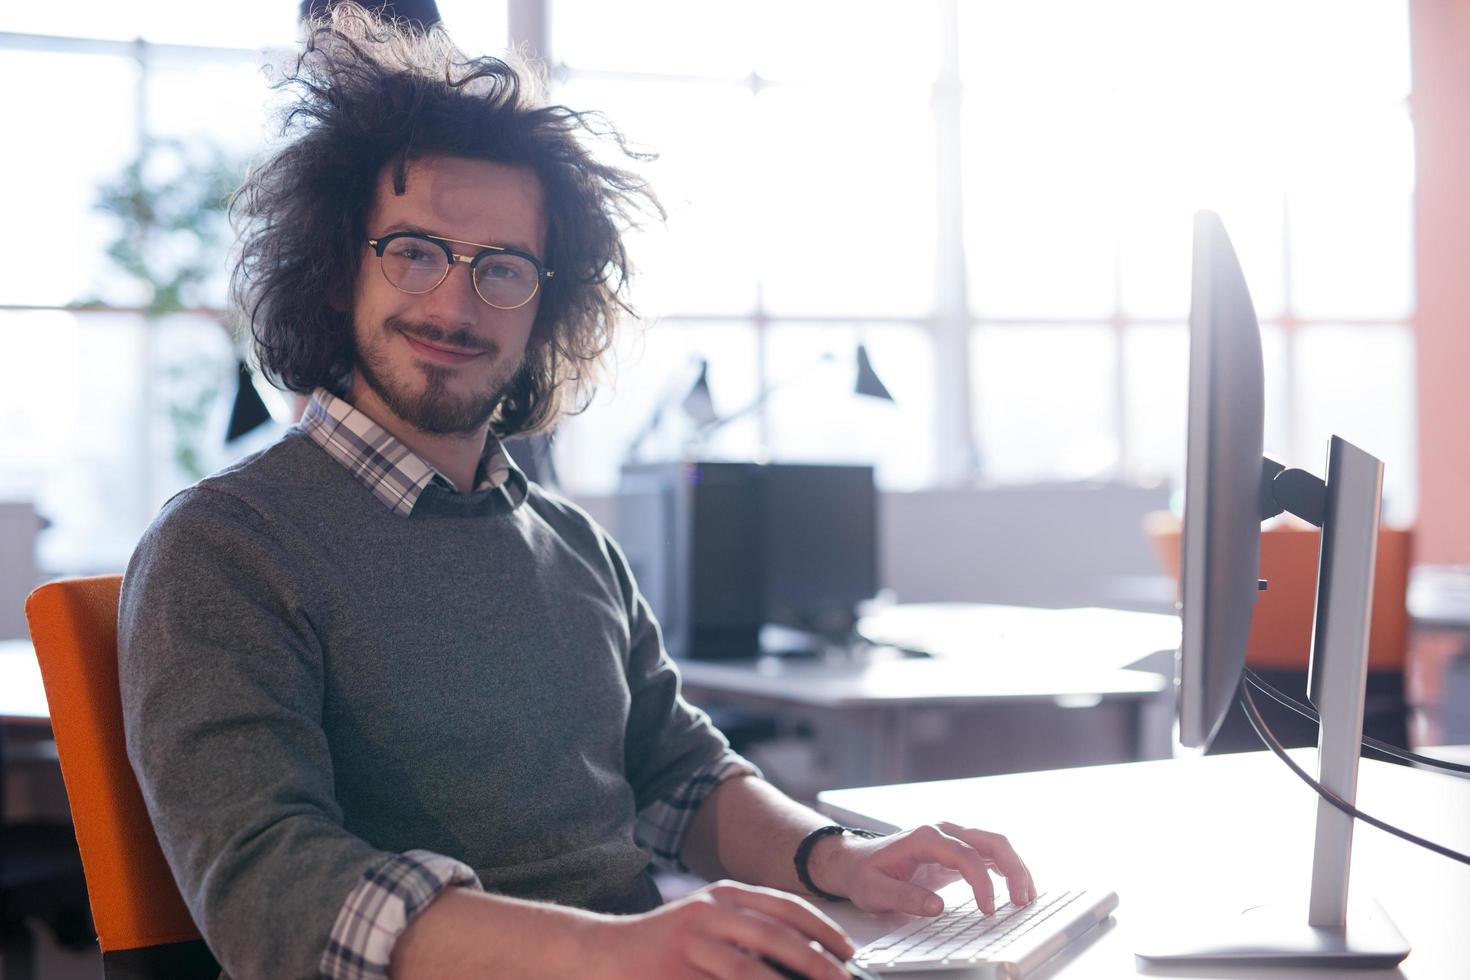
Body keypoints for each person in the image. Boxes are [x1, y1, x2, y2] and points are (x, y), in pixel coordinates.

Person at [117, 6, 1035, 978]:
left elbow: (679, 772)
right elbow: (274, 891)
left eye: (502, 268)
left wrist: (840, 854)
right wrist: (615, 949)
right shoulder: (223, 547)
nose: (455, 303)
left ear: (545, 304)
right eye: (415, 250)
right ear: (339, 265)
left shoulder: (570, 541)